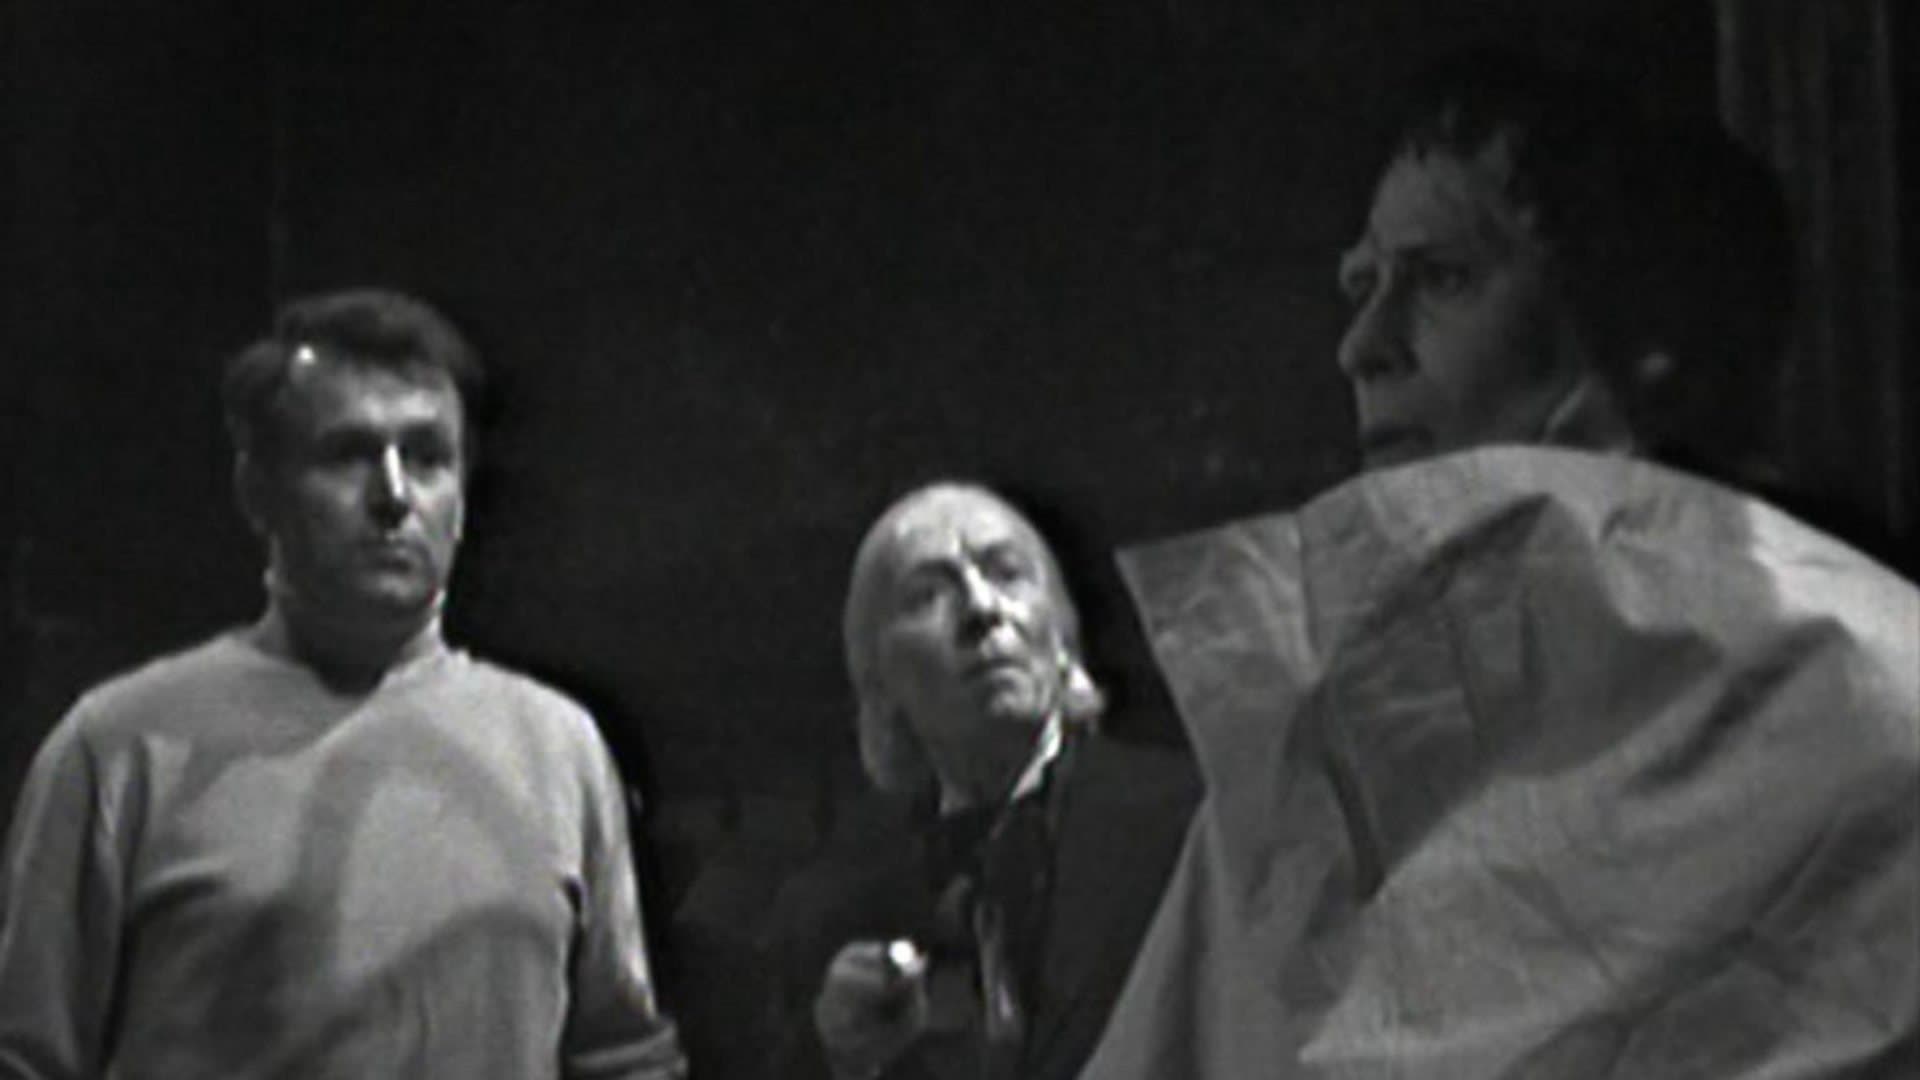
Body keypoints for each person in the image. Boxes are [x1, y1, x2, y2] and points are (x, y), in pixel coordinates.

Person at [1081, 55, 1918, 1077]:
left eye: (1444, 277)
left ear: (1646, 331)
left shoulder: (1871, 702)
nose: (1362, 346)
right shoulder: (1320, 759)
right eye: (1361, 285)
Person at [0, 289, 686, 1079]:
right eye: (348, 454)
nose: (393, 496)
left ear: (462, 497)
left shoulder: (559, 748)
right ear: (258, 491)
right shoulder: (121, 748)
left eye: (427, 457)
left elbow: (623, 1056)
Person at [762, 483, 1197, 1080]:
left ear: (1062, 639)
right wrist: (837, 1055)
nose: (982, 609)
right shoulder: (833, 913)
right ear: (880, 685)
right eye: (927, 595)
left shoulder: (1191, 824)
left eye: (1007, 573)